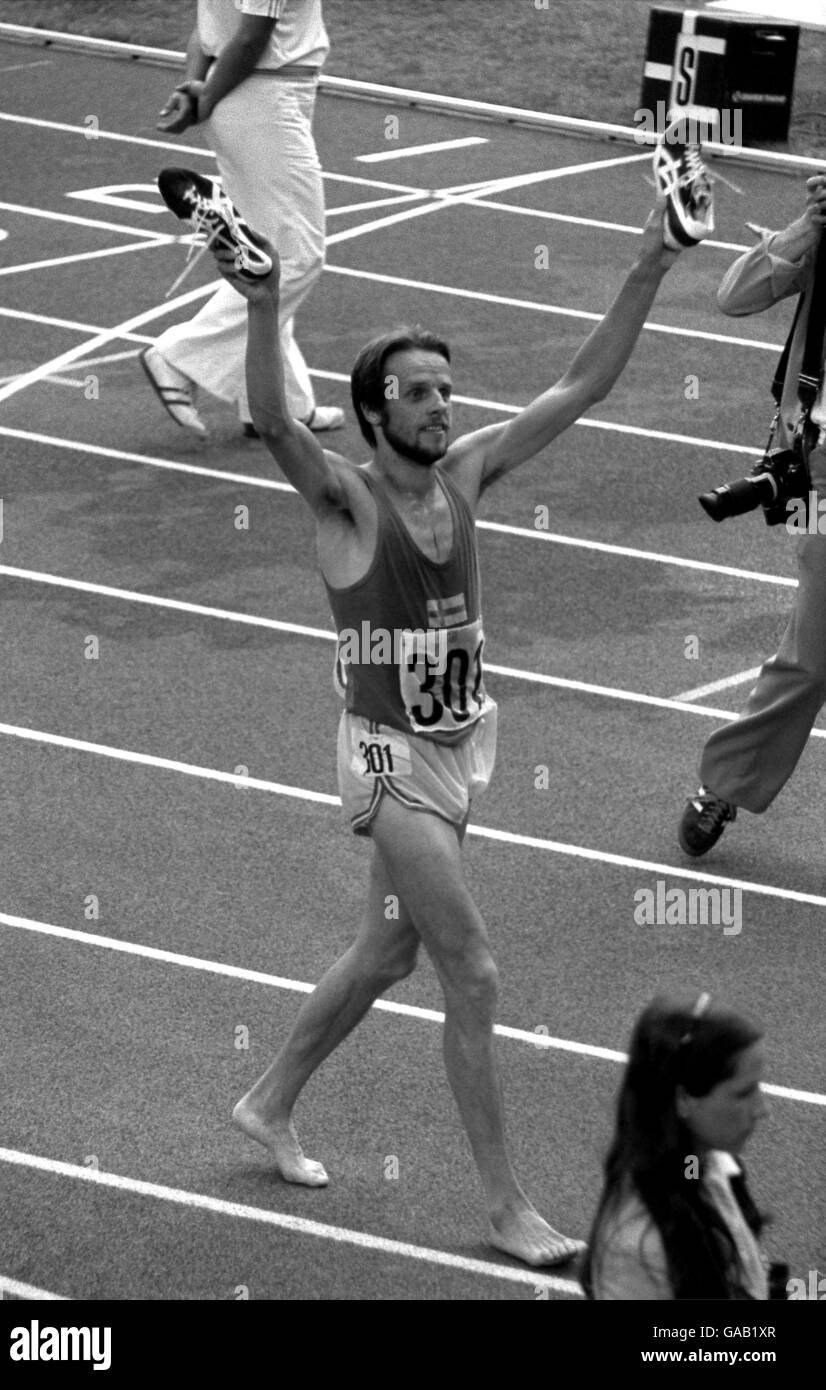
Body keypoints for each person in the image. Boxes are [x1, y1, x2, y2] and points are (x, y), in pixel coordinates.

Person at [192, 143, 709, 1266]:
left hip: (459, 749)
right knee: (469, 964)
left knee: (384, 953)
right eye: (416, 392)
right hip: (383, 761)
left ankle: (268, 1098)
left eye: (444, 389)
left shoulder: (467, 477)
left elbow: (581, 386)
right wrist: (266, 296)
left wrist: (647, 259)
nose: (440, 405)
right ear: (372, 413)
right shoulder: (345, 500)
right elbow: (279, 426)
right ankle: (506, 1212)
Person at [679, 174, 826, 856]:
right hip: (818, 478)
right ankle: (727, 782)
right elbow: (734, 295)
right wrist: (807, 227)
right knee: (811, 658)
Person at [140, 0, 344, 439]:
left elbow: (206, 30)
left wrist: (197, 87)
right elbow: (252, 35)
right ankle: (180, 356)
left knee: (269, 243)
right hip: (262, 100)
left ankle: (276, 401)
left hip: (249, 95)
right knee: (295, 257)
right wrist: (205, 95)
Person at [582, 995, 771, 1300]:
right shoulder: (639, 1250)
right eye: (744, 1093)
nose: (762, 1109)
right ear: (683, 1100)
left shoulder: (706, 1163)